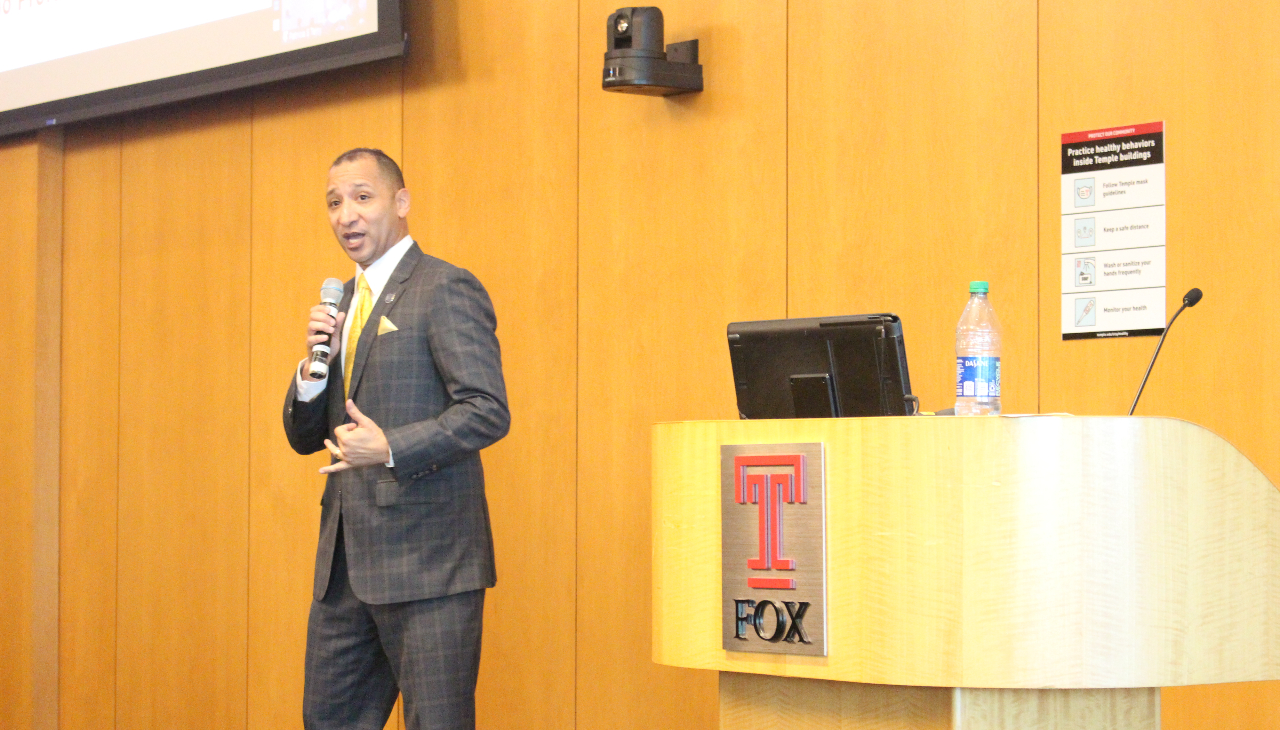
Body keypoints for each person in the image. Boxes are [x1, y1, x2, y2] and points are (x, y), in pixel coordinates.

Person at [283, 148, 510, 730]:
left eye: (363, 197)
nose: (346, 216)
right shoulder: (345, 306)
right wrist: (312, 378)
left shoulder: (444, 287)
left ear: (401, 203)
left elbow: (487, 410)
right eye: (334, 203)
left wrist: (389, 448)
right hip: (344, 573)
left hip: (430, 569)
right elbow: (306, 438)